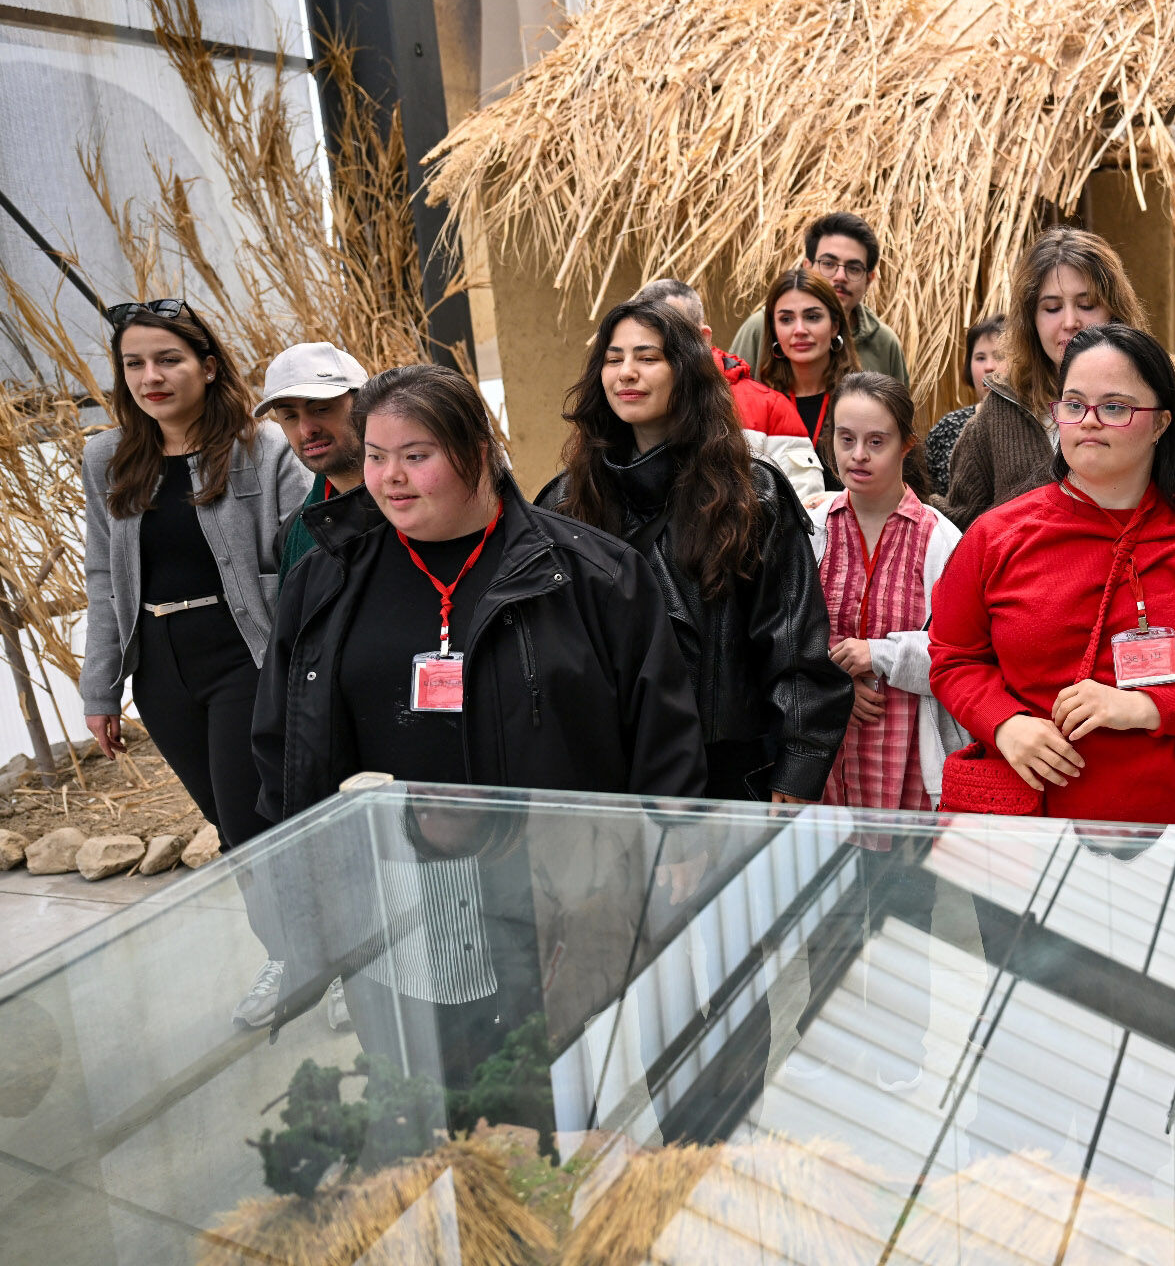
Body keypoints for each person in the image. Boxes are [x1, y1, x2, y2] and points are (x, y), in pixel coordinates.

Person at [253, 363, 711, 822]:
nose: (391, 476)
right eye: (376, 456)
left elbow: (662, 732)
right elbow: (284, 739)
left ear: (477, 453)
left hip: (555, 865)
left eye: (415, 456)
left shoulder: (591, 573)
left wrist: (674, 835)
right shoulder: (326, 576)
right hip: (392, 866)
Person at [929, 324, 1175, 824]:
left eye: (1114, 407)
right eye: (1074, 405)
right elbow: (952, 657)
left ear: (1161, 423)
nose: (1088, 422)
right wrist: (1003, 724)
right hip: (1028, 830)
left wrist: (1146, 708)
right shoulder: (996, 536)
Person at [83, 301, 310, 1027]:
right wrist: (102, 686)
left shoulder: (260, 448)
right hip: (161, 668)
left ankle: (303, 960)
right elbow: (103, 577)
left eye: (169, 360)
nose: (152, 376)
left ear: (207, 367)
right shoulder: (107, 457)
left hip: (244, 656)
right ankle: (304, 951)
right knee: (225, 817)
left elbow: (304, 551)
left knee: (255, 823)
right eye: (135, 363)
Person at [538, 300, 850, 801]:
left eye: (647, 357)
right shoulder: (569, 499)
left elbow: (794, 644)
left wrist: (799, 770)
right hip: (610, 768)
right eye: (613, 359)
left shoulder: (753, 492)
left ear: (685, 369)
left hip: (728, 768)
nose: (627, 374)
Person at [939, 226, 1175, 531]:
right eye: (1052, 308)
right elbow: (958, 526)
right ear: (1030, 319)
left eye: (1087, 305)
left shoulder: (1160, 394)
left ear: (1114, 310)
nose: (1071, 322)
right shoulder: (1002, 405)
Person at [807, 373, 963, 810]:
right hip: (828, 755)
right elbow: (789, 636)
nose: (858, 455)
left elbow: (962, 651)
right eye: (846, 439)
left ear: (906, 444)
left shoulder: (940, 540)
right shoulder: (812, 532)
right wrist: (836, 685)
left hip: (912, 754)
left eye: (877, 442)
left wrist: (880, 654)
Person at [636, 276, 827, 500]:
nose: (658, 349)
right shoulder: (623, 401)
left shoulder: (768, 408)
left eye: (672, 337)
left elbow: (807, 513)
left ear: (702, 338)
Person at [728, 212, 908, 384]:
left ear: (869, 280)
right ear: (807, 268)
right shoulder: (760, 327)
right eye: (828, 264)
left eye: (854, 268)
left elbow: (900, 414)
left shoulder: (885, 343)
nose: (840, 276)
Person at [257, 341, 371, 574]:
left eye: (321, 409)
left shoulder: (410, 504)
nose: (306, 430)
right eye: (289, 416)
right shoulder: (294, 533)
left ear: (363, 404)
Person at [751, 267, 863, 490]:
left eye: (812, 317)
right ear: (773, 330)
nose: (799, 330)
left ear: (835, 326)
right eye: (786, 319)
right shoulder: (759, 408)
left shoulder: (863, 403)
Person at [924, 315, 1003, 498]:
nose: (989, 367)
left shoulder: (1035, 424)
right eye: (980, 358)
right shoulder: (947, 428)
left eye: (999, 356)